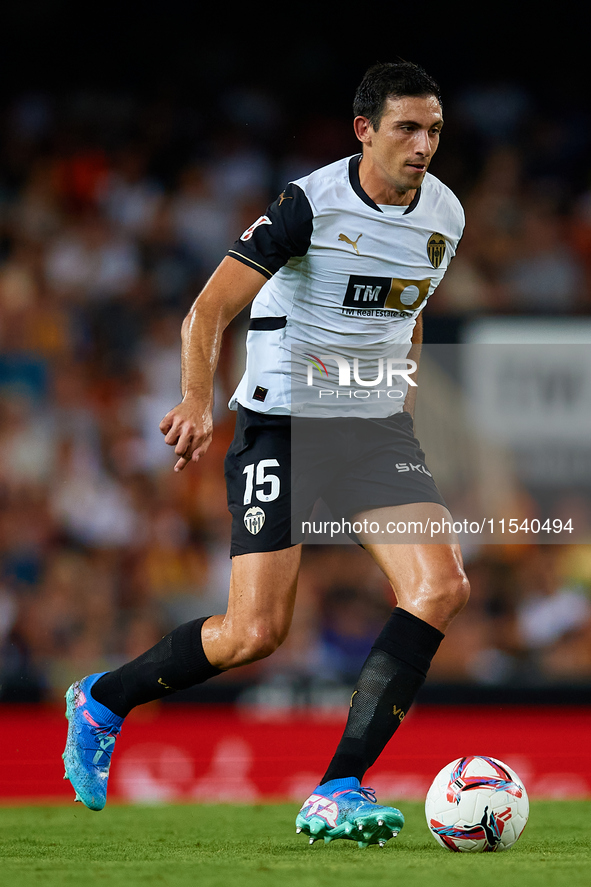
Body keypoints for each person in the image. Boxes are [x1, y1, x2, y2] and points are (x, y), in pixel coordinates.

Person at [63, 61, 470, 848]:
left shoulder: (445, 215)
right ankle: (103, 699)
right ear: (364, 130)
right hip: (281, 421)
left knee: (440, 586)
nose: (423, 146)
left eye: (434, 131)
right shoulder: (307, 204)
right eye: (406, 129)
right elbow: (208, 309)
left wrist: (404, 399)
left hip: (371, 424)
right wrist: (194, 398)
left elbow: (408, 309)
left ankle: (337, 787)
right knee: (254, 632)